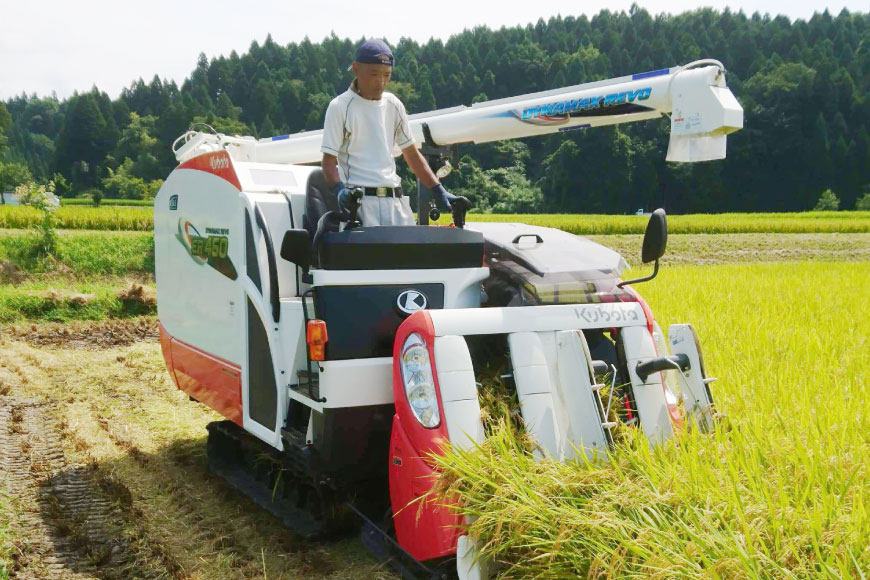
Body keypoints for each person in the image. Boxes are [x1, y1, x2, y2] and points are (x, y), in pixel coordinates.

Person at [320, 38, 467, 226]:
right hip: (360, 205)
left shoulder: (394, 104)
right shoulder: (340, 106)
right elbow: (328, 161)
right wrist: (339, 189)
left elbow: (412, 155)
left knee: (407, 255)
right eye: (374, 74)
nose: (381, 82)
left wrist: (437, 189)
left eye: (387, 75)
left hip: (396, 202)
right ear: (356, 69)